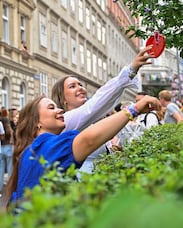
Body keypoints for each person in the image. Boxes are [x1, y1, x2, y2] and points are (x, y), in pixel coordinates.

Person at [5, 95, 161, 204]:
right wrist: (134, 109)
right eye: (51, 108)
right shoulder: (44, 145)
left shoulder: (33, 149)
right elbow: (89, 140)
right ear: (36, 122)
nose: (59, 110)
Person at [51, 45, 155, 174]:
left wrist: (111, 149)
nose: (80, 88)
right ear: (63, 98)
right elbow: (96, 104)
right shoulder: (65, 121)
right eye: (72, 86)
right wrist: (131, 70)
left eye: (80, 85)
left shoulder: (91, 120)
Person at [0, 116, 14, 193]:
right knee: (10, 169)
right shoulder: (9, 130)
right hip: (8, 148)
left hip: (1, 148)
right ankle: (10, 187)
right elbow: (12, 140)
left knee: (1, 170)